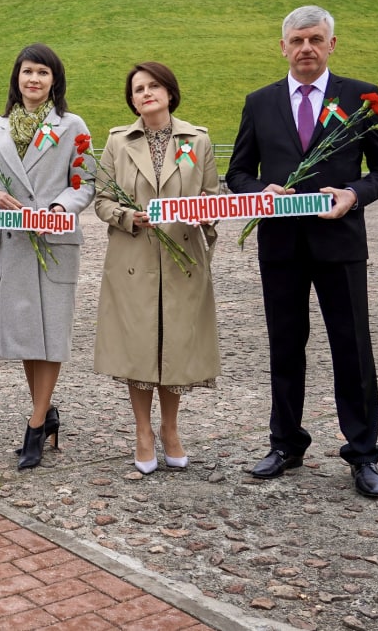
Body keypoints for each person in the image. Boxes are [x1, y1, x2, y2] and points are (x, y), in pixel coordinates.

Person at [226, 5, 378, 499]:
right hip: (281, 245)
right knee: (285, 348)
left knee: (352, 348)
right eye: (297, 40)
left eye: (316, 39)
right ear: (282, 47)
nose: (306, 48)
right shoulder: (259, 102)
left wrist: (354, 193)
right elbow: (238, 172)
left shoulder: (360, 97)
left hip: (339, 243)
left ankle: (363, 454)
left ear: (331, 45)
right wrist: (259, 190)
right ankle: (286, 443)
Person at [92, 62, 221, 474]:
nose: (146, 93)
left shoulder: (197, 140)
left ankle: (171, 429)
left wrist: (206, 215)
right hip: (135, 257)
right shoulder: (117, 142)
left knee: (175, 345)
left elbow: (213, 197)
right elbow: (100, 201)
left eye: (153, 86)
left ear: (169, 91)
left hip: (182, 258)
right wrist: (129, 216)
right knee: (139, 345)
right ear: (132, 99)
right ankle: (143, 432)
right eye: (138, 89)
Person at [0, 43, 95, 470]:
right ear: (17, 78)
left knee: (52, 334)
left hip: (53, 240)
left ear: (54, 80)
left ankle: (36, 422)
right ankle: (45, 414)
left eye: (42, 73)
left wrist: (61, 208)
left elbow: (84, 182)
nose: (34, 80)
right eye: (27, 72)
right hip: (13, 244)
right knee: (28, 335)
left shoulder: (71, 125)